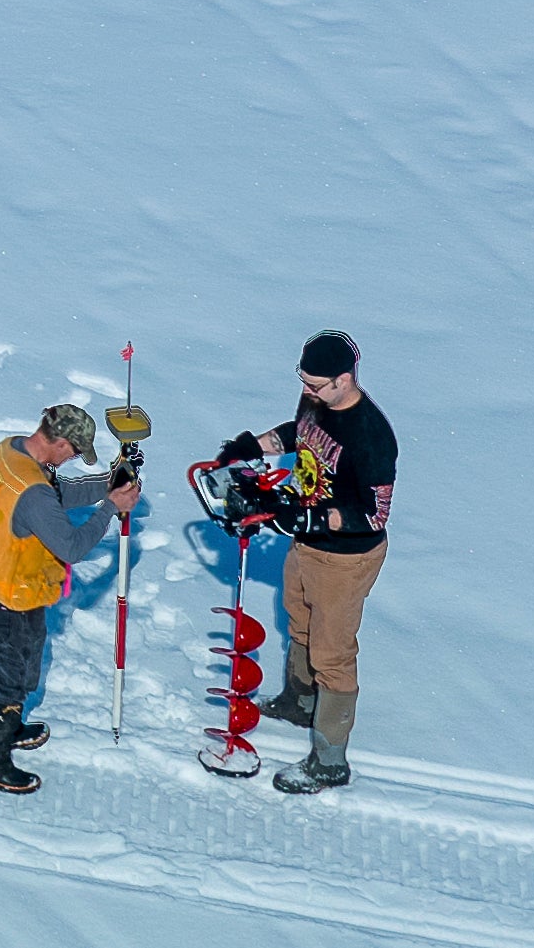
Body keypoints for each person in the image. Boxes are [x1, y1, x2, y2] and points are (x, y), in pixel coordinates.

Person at [218, 329, 396, 794]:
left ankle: (330, 761)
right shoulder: (317, 403)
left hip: (346, 558)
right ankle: (300, 702)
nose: (307, 392)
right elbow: (300, 433)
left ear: (344, 379)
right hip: (305, 542)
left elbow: (374, 515)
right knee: (300, 621)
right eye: (302, 381)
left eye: (315, 385)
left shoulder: (372, 436)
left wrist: (309, 516)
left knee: (332, 652)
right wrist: (251, 447)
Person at [0, 404, 126, 795]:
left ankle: (8, 721)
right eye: (73, 452)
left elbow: (57, 494)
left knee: (16, 657)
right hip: (12, 590)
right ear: (60, 442)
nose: (72, 460)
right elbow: (71, 547)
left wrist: (107, 486)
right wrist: (111, 509)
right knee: (14, 673)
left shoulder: (12, 451)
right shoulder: (31, 490)